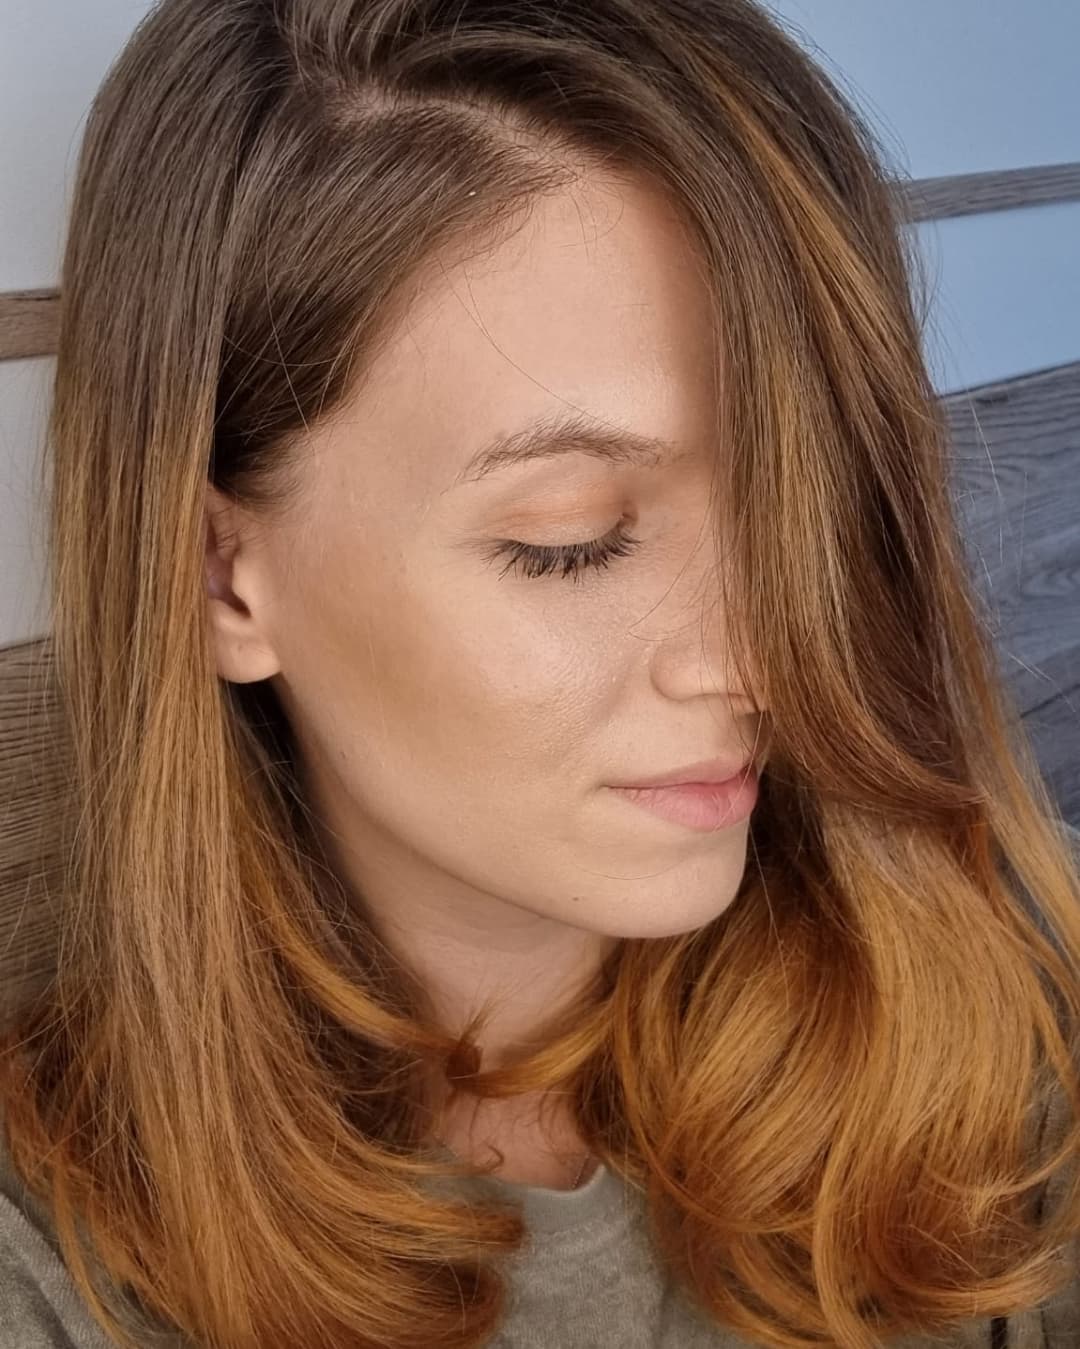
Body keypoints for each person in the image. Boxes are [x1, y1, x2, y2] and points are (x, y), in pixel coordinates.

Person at [2, 0, 1080, 1345]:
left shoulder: (1009, 977)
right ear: (224, 576)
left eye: (799, 504)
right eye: (572, 541)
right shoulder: (51, 1270)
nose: (766, 657)